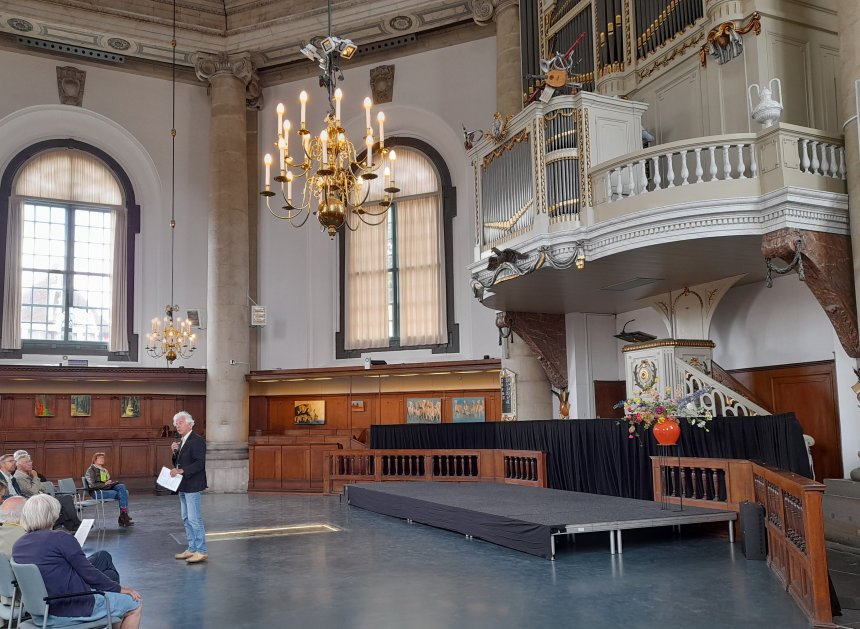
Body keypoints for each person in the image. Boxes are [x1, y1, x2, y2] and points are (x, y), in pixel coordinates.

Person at [12, 494, 142, 628]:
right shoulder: (61, 538)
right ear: (54, 515)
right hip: (72, 609)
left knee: (108, 576)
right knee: (134, 604)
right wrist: (119, 588)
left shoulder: (18, 545)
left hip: (41, 614)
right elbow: (88, 573)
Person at [170, 410, 208, 563]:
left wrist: (182, 470)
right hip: (183, 485)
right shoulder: (183, 441)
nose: (177, 426)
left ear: (189, 424)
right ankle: (192, 548)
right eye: (176, 424)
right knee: (186, 518)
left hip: (193, 484)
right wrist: (174, 453)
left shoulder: (197, 440)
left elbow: (200, 463)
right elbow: (178, 464)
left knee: (194, 519)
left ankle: (201, 550)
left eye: (180, 423)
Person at [8, 454, 81, 532]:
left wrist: (34, 480)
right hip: (33, 501)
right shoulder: (19, 477)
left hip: (42, 497)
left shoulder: (28, 474)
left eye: (30, 461)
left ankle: (72, 526)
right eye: (27, 462)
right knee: (65, 500)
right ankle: (74, 525)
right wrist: (35, 477)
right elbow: (33, 491)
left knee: (65, 502)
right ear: (19, 466)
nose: (30, 463)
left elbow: (43, 487)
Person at [86, 453, 134, 527]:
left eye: (103, 458)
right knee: (125, 493)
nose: (102, 459)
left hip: (106, 488)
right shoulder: (90, 470)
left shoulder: (104, 470)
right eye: (100, 458)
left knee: (122, 486)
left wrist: (109, 483)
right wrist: (104, 484)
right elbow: (92, 485)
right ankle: (123, 516)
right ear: (95, 460)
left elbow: (105, 481)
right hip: (98, 492)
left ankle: (123, 515)